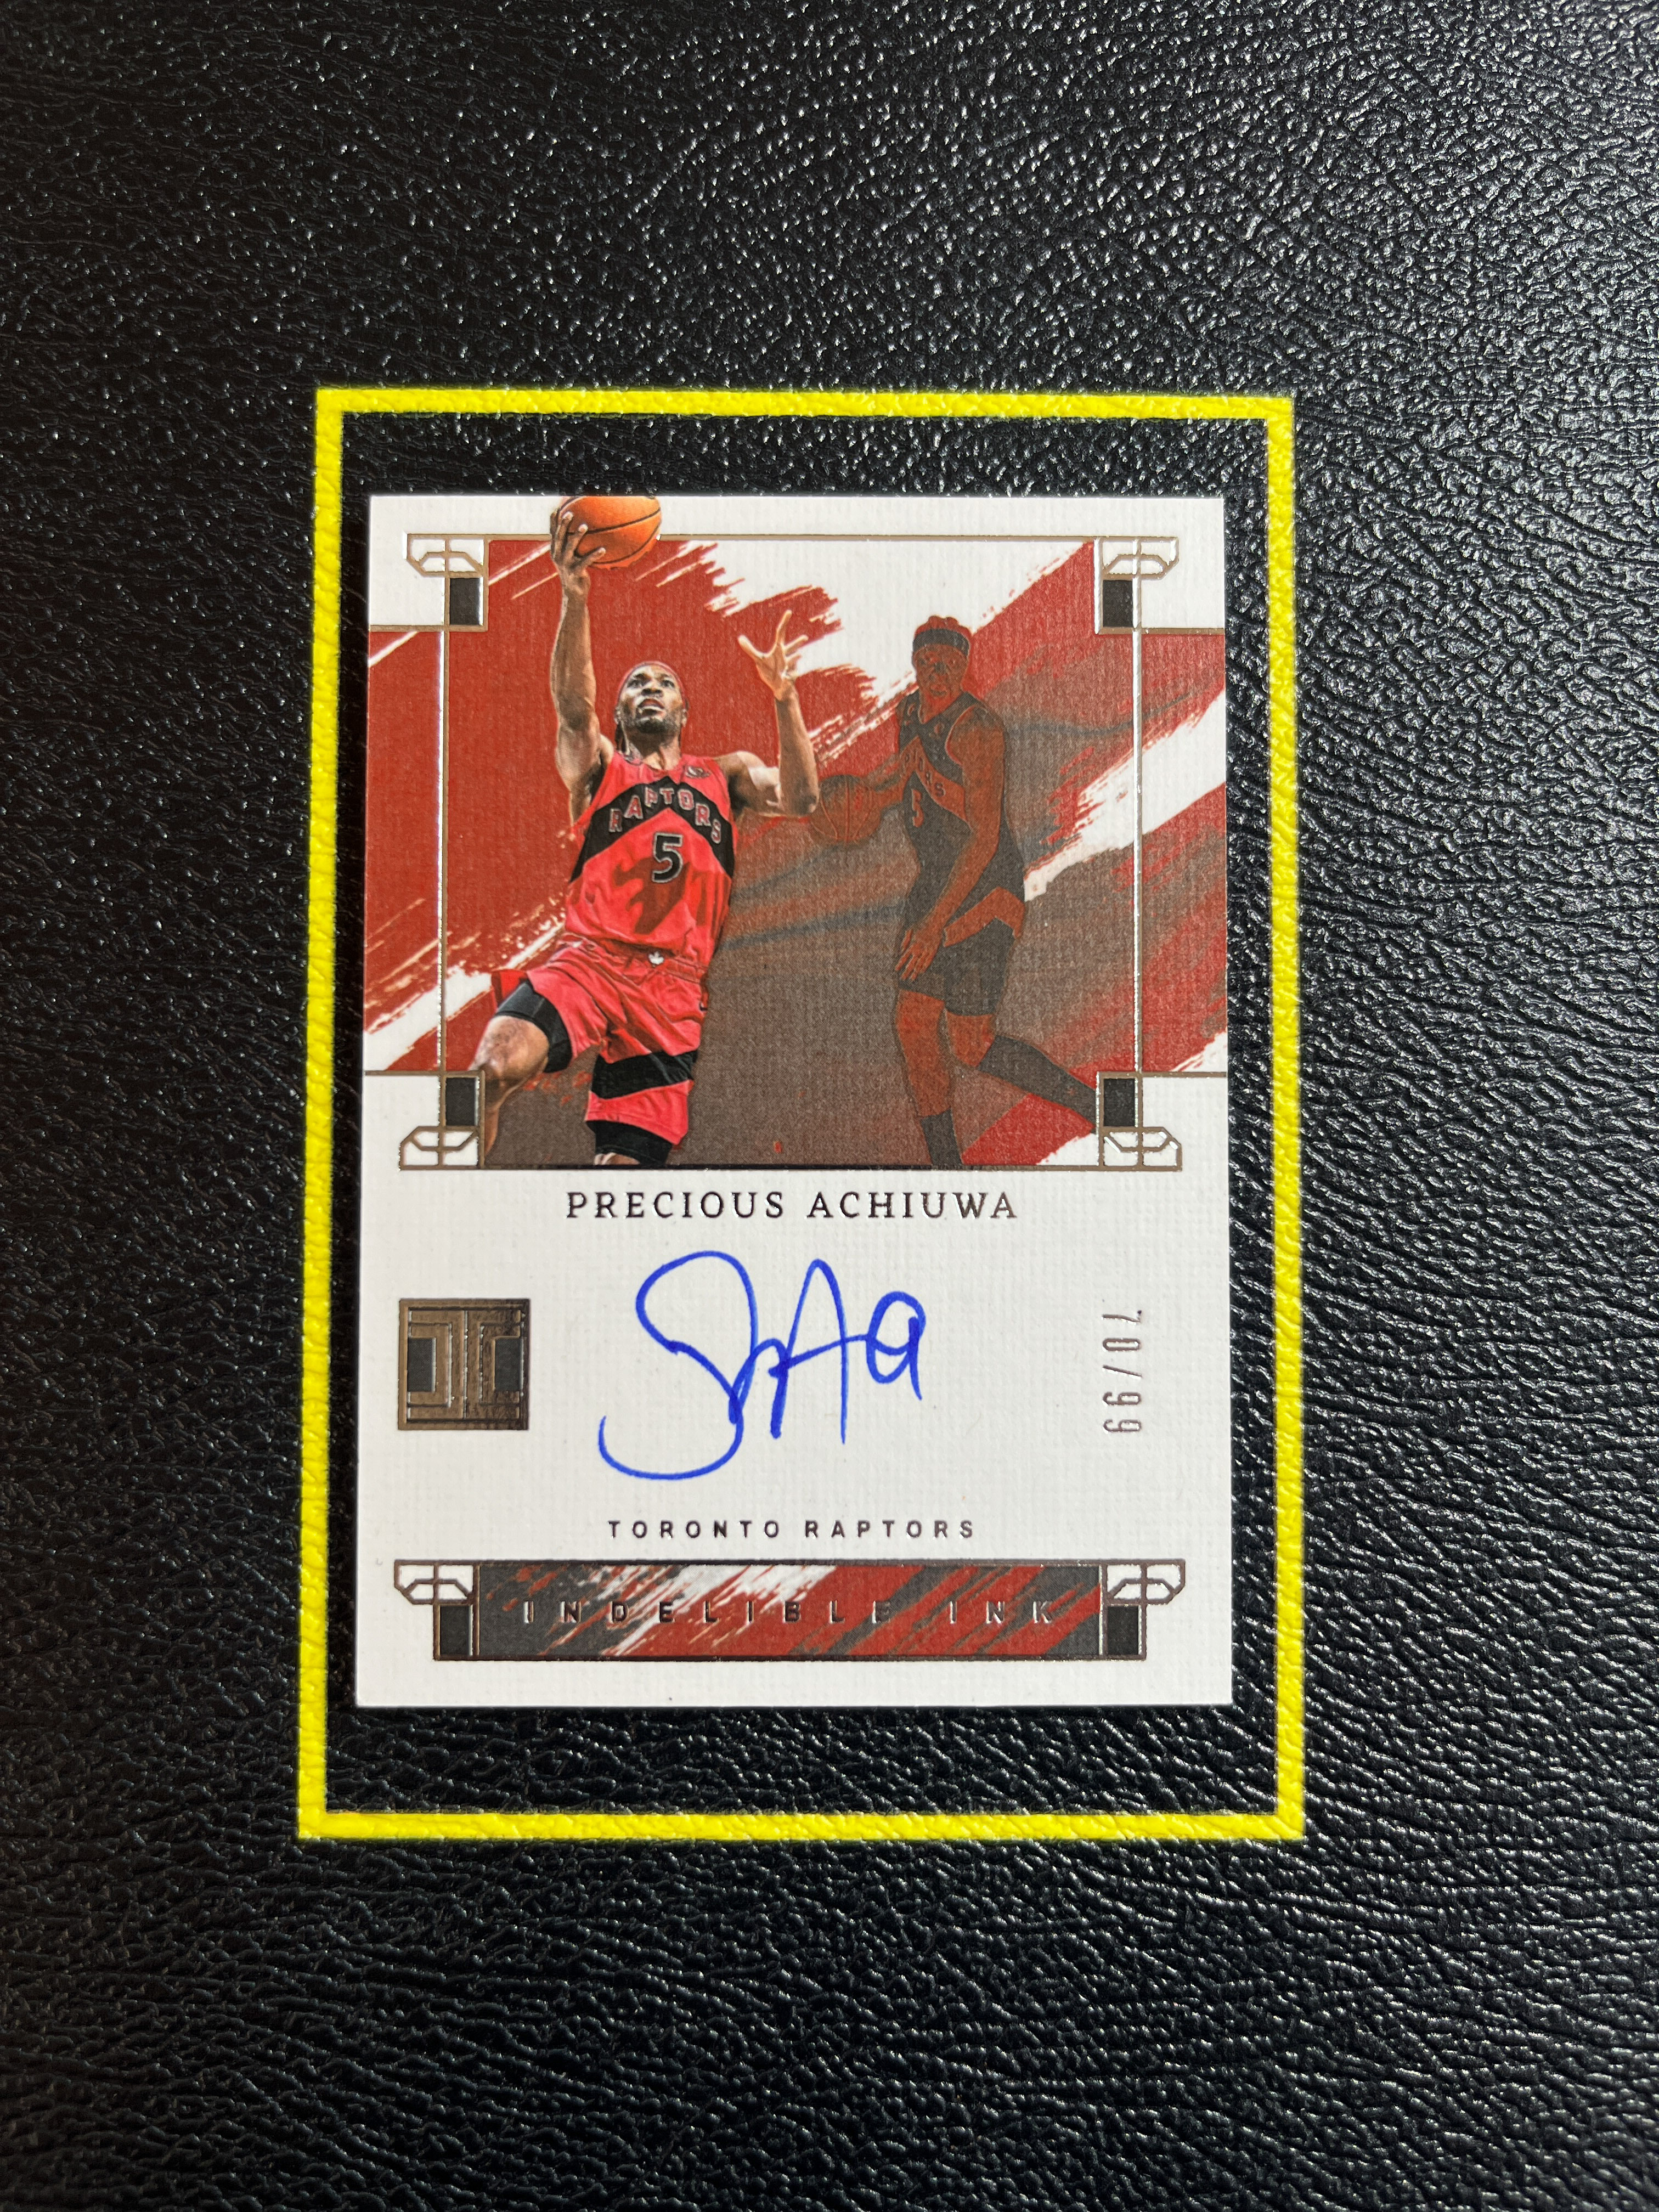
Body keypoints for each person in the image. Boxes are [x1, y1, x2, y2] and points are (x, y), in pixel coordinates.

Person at [471, 505, 820, 1165]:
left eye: (665, 684)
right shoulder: (601, 769)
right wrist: (576, 596)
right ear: (621, 711)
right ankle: (444, 1206)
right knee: (490, 1070)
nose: (650, 688)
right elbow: (573, 708)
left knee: (627, 1172)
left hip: (673, 988)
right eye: (637, 684)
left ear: (683, 712)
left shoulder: (726, 775)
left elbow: (802, 799)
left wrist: (785, 697)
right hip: (591, 961)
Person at [853, 616, 1098, 1166]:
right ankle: (947, 1167)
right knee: (913, 1026)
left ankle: (1093, 1105)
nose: (937, 672)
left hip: (986, 887)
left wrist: (935, 924)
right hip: (938, 881)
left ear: (965, 666)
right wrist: (863, 798)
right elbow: (908, 772)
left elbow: (984, 838)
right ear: (915, 664)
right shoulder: (909, 713)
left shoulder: (978, 730)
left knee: (972, 1045)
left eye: (949, 663)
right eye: (928, 661)